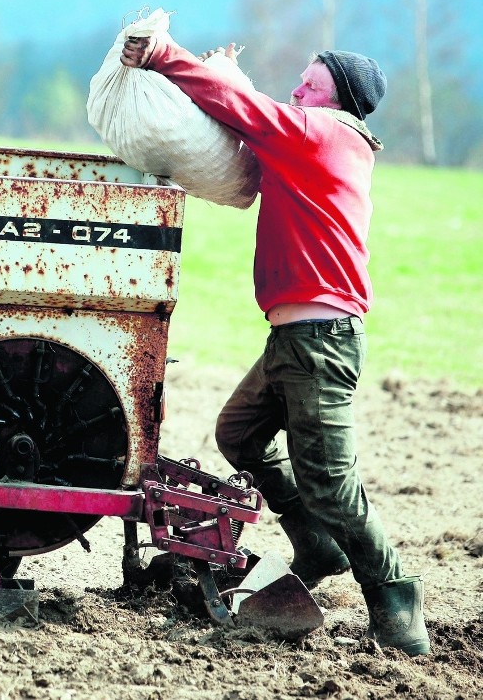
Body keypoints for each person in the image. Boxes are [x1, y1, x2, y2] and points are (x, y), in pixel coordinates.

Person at [121, 34, 430, 657]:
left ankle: (395, 591)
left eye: (309, 84)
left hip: (322, 341)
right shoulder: (313, 137)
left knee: (332, 485)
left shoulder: (327, 134)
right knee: (238, 434)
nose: (297, 90)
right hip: (293, 336)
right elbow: (254, 108)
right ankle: (317, 543)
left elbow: (245, 111)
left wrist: (163, 55)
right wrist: (232, 78)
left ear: (337, 99)